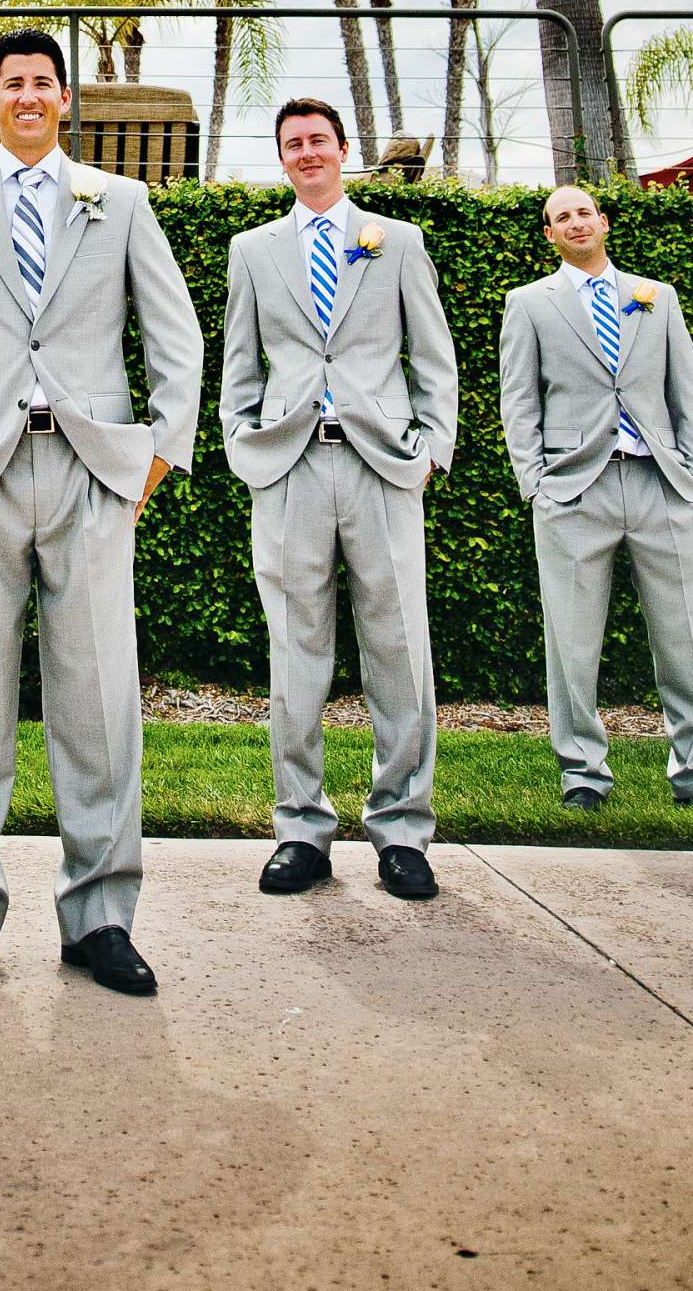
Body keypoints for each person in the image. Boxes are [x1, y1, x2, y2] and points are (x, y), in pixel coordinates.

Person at [0, 28, 202, 1000]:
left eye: (42, 83)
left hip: (91, 475)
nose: (26, 95)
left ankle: (100, 915)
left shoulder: (122, 201)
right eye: (10, 82)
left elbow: (174, 335)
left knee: (99, 704)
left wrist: (158, 452)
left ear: (64, 100)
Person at [220, 97, 457, 901]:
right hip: (288, 470)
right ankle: (300, 827)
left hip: (383, 467)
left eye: (319, 139)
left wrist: (431, 451)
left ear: (344, 149)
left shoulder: (399, 242)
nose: (307, 152)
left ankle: (401, 830)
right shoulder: (251, 251)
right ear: (281, 158)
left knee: (399, 648)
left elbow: (433, 357)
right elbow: (239, 370)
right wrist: (246, 449)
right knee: (296, 651)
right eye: (293, 143)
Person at [499, 184, 693, 813]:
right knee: (572, 640)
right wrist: (537, 483)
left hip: (660, 485)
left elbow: (685, 392)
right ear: (550, 235)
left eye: (584, 212)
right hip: (573, 489)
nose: (575, 222)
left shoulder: (655, 297)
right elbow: (520, 401)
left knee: (684, 636)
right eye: (561, 217)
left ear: (603, 222)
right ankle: (583, 773)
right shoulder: (529, 304)